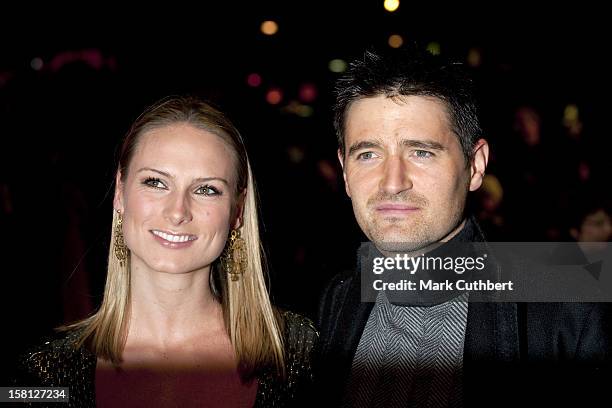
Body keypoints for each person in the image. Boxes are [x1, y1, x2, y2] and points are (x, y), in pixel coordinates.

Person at [316, 47, 611, 407]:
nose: (392, 182)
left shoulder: (571, 300)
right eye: (368, 154)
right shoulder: (337, 298)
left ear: (475, 166)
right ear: (345, 172)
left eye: (421, 152)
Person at [13, 96, 318, 407]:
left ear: (237, 210)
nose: (177, 212)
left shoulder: (300, 354)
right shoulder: (44, 375)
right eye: (156, 182)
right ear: (120, 192)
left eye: (206, 189)